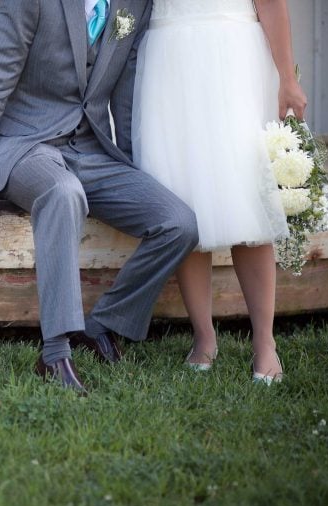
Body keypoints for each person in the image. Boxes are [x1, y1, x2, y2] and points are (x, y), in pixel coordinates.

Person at [0, 0, 199, 393]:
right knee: (63, 193)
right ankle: (55, 352)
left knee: (179, 222)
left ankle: (103, 326)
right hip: (25, 144)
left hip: (92, 148)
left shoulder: (134, 4)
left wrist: (132, 170)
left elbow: (125, 95)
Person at [132, 0, 307, 384]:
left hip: (232, 58)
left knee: (246, 197)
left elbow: (273, 5)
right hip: (169, 60)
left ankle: (265, 342)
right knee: (184, 195)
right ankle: (204, 337)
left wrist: (287, 79)